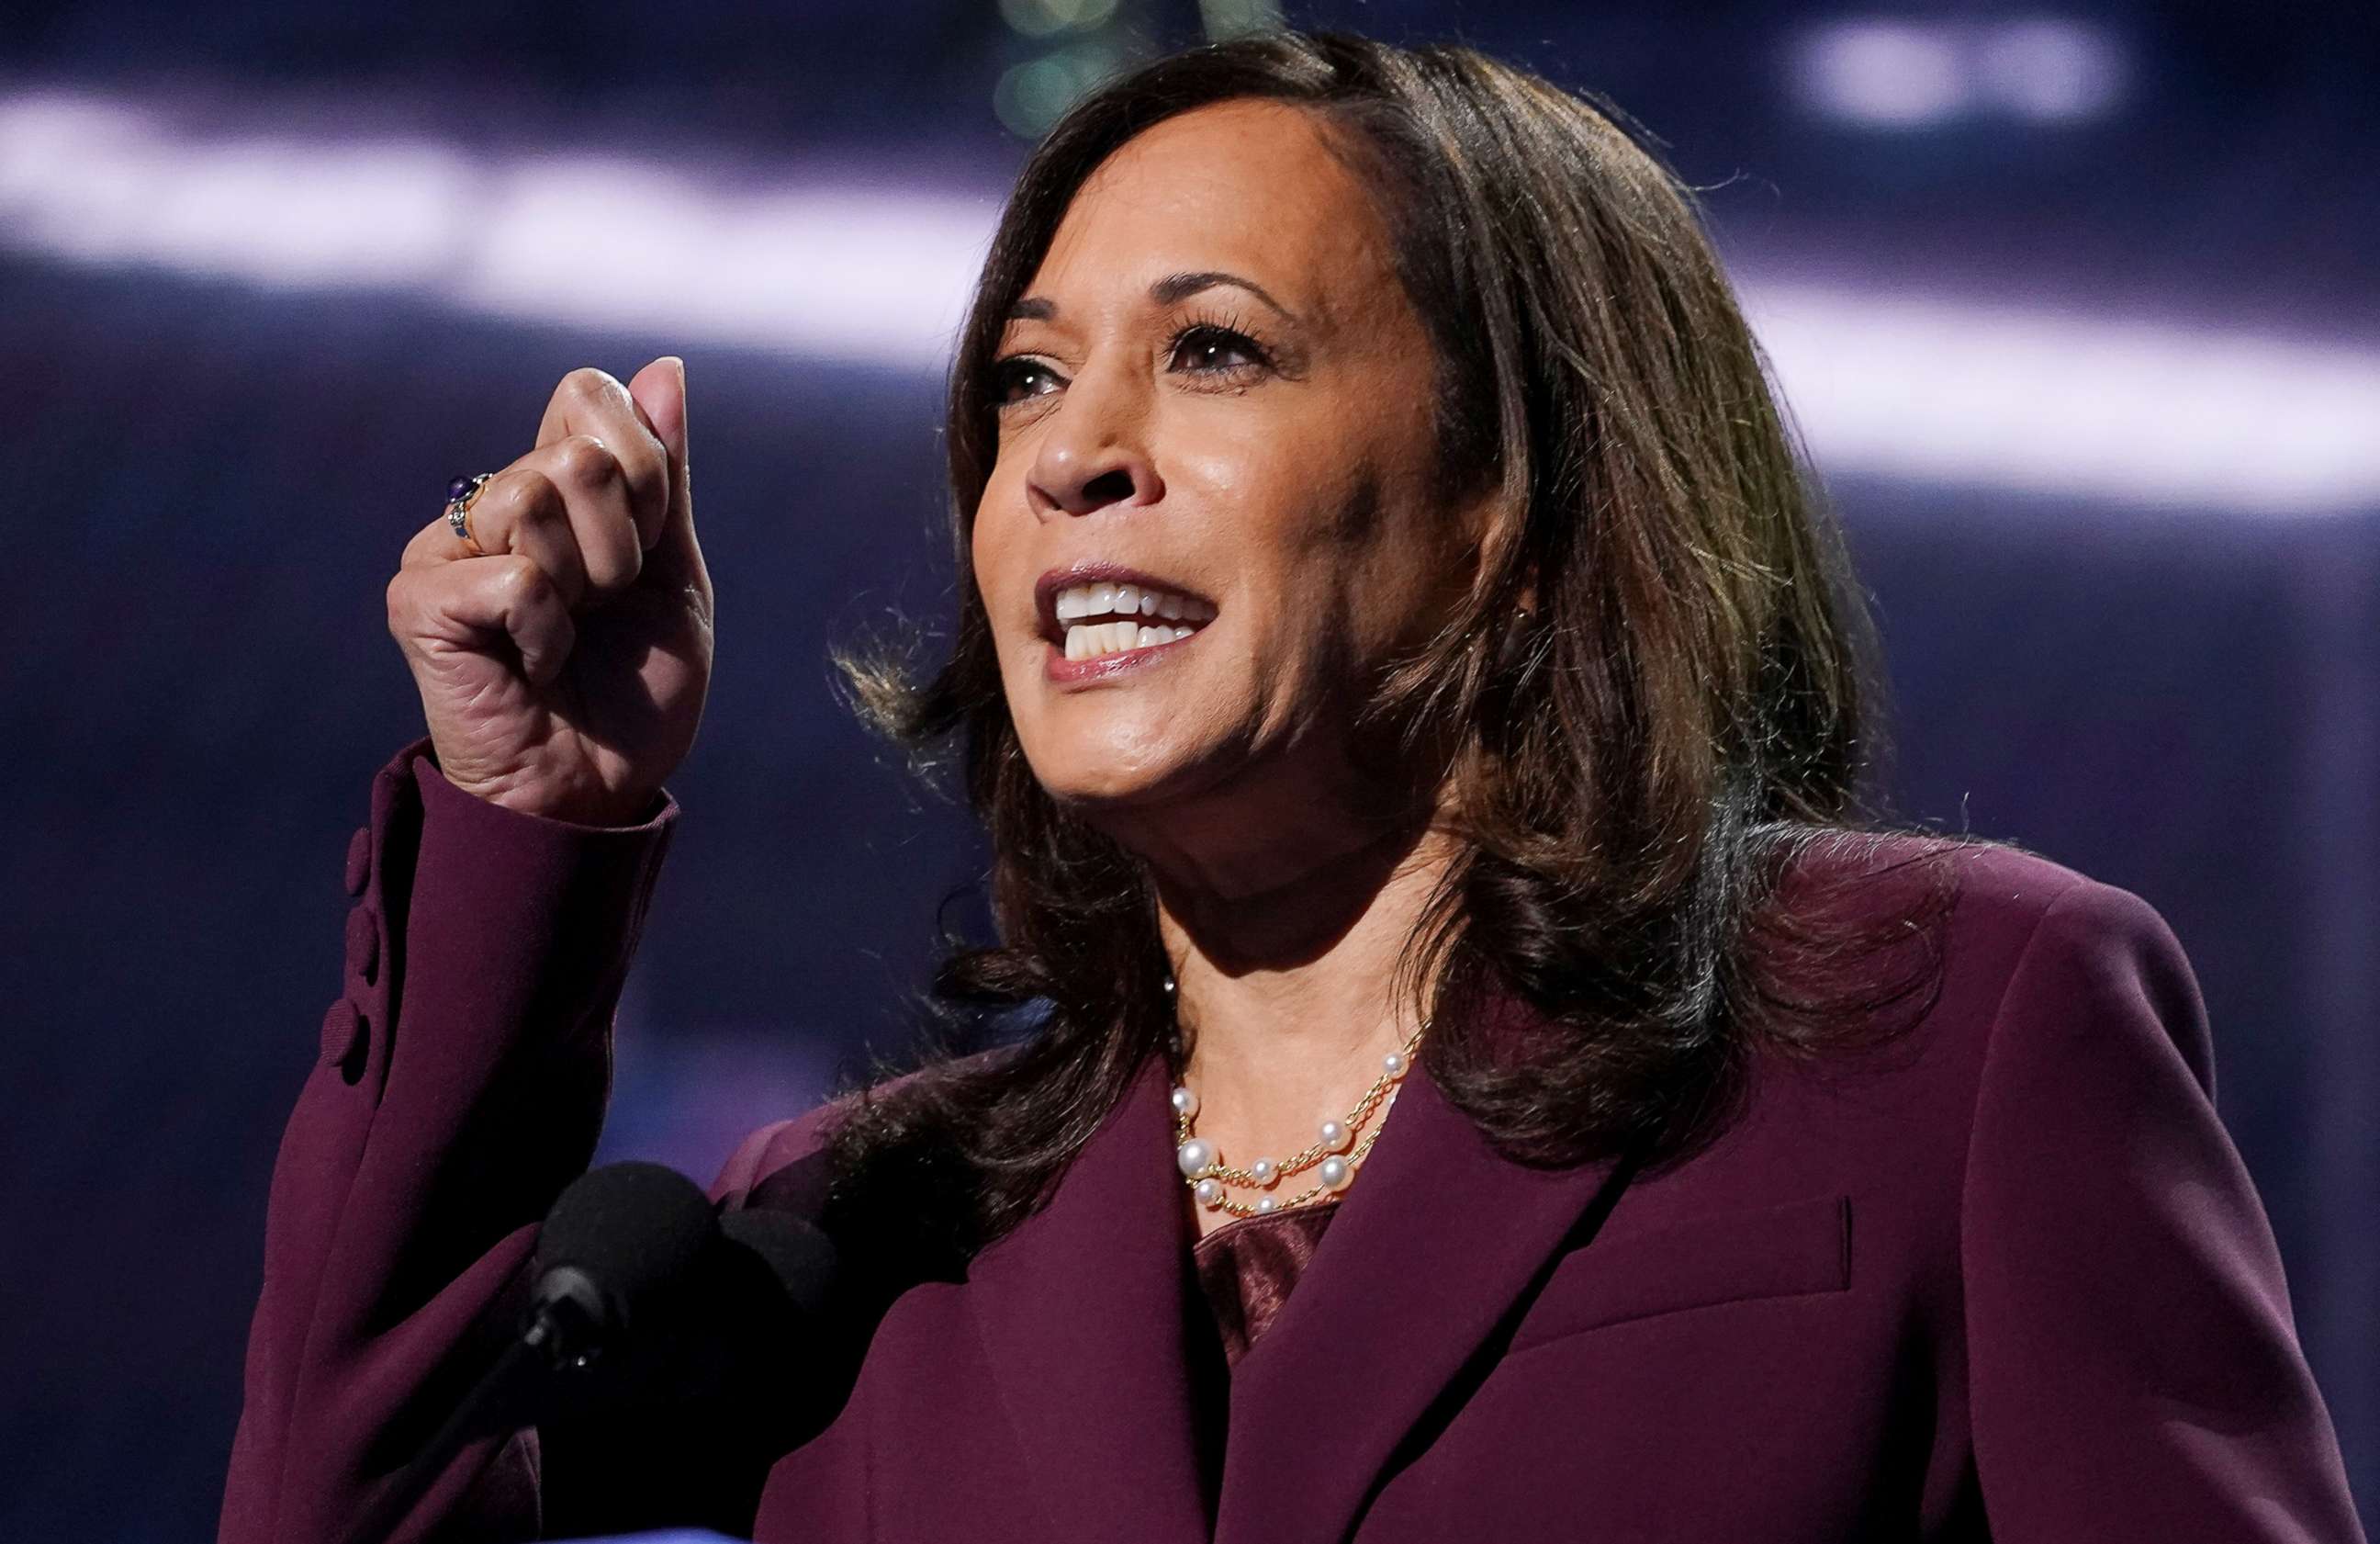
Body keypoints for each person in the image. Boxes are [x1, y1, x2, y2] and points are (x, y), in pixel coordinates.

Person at [221, 29, 2366, 1544]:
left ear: (1510, 501)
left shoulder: (1947, 1022)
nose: (1068, 452)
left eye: (1216, 349)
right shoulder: (860, 1232)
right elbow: (350, 1504)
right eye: (1031, 379)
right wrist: (538, 824)